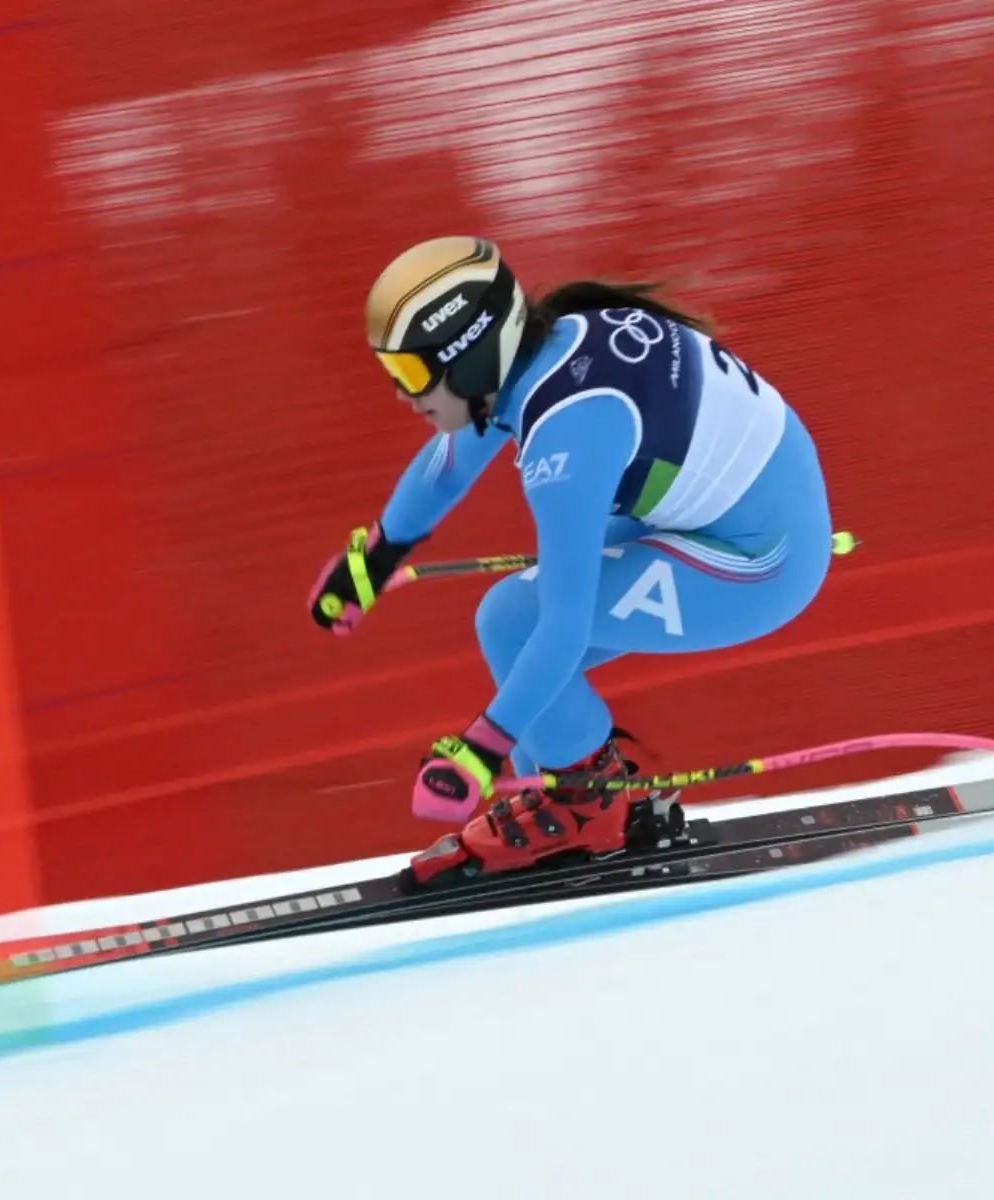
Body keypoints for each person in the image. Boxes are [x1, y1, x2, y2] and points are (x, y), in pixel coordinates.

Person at [308, 236, 835, 887]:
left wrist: (478, 750)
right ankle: (562, 802)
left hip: (760, 562)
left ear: (470, 359)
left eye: (412, 375)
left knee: (513, 622)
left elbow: (565, 625)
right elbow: (448, 466)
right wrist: (376, 556)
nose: (401, 394)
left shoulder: (568, 435)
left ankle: (584, 810)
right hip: (732, 511)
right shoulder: (549, 350)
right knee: (524, 645)